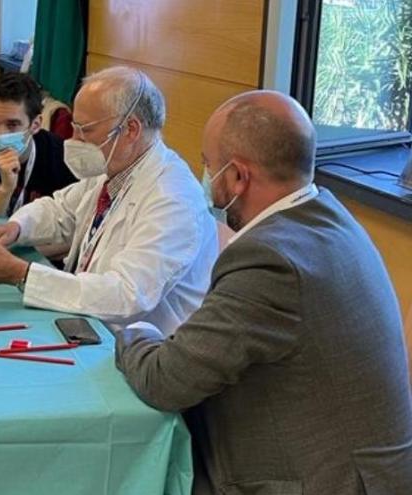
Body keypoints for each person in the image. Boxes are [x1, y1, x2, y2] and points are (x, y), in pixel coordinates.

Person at [114, 91, 412, 494]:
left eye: (208, 166)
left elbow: (165, 380)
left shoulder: (270, 260)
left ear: (237, 176)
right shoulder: (329, 217)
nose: (206, 178)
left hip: (321, 480)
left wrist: (135, 332)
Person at [0, 67, 218, 335]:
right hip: (88, 324)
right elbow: (61, 209)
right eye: (74, 128)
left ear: (131, 129)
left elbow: (126, 295)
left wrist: (19, 274)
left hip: (137, 346)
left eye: (85, 130)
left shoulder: (173, 198)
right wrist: (16, 228)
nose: (74, 140)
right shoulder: (113, 168)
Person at [0, 72, 76, 217]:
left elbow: (69, 225)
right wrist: (5, 190)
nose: (1, 134)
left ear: (35, 125)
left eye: (12, 124)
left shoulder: (64, 158)